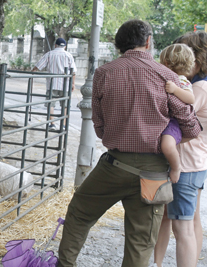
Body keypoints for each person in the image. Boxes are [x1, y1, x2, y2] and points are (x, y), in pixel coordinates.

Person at [57, 19, 202, 267]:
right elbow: (190, 125)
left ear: (118, 45)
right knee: (140, 242)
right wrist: (168, 139)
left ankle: (65, 264)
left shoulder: (104, 73)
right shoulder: (166, 76)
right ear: (148, 42)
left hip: (113, 166)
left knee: (79, 214)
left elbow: (99, 127)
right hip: (154, 174)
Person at [153, 31, 207, 267]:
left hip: (185, 163)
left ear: (196, 58)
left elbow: (183, 118)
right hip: (196, 161)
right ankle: (157, 262)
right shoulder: (197, 85)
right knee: (188, 219)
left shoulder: (199, 89)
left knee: (182, 226)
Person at [159, 44, 195, 183]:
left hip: (173, 123)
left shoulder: (181, 81)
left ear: (166, 63)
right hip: (163, 118)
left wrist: (175, 90)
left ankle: (176, 167)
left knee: (167, 145)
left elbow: (191, 98)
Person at [31, 37, 77, 131]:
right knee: (64, 105)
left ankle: (52, 124)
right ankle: (63, 125)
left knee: (50, 104)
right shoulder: (68, 55)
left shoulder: (49, 54)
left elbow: (39, 65)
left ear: (55, 45)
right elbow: (73, 71)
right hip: (65, 84)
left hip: (52, 84)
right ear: (65, 46)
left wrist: (33, 71)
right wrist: (73, 83)